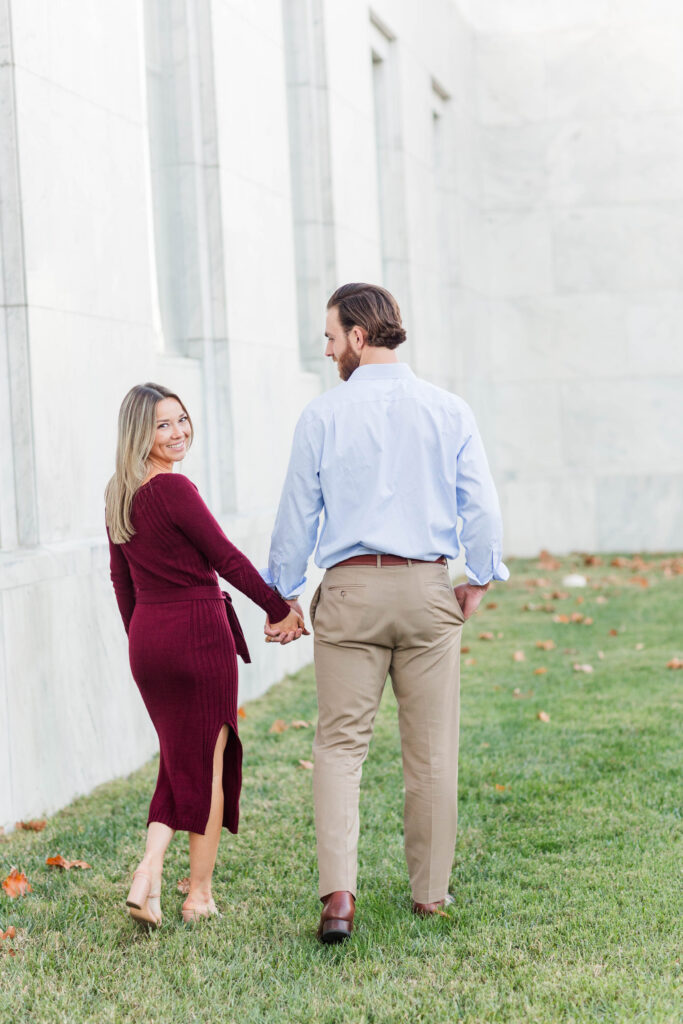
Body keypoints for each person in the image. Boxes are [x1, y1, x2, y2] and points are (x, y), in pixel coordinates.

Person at [263, 283, 509, 942]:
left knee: (339, 747)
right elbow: (480, 506)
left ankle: (338, 899)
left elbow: (295, 514)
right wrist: (478, 578)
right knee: (431, 755)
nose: (326, 348)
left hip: (349, 591)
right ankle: (429, 895)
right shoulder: (448, 409)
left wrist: (281, 592)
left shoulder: (322, 416)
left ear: (359, 336)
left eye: (330, 335)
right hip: (428, 590)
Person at [106, 383, 305, 926]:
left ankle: (149, 872)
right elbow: (226, 558)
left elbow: (122, 586)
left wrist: (144, 643)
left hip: (149, 640)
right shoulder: (174, 489)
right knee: (208, 763)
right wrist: (278, 607)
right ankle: (197, 895)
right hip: (196, 633)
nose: (178, 433)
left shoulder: (117, 495)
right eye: (163, 426)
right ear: (139, 435)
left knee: (178, 759)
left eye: (182, 420)